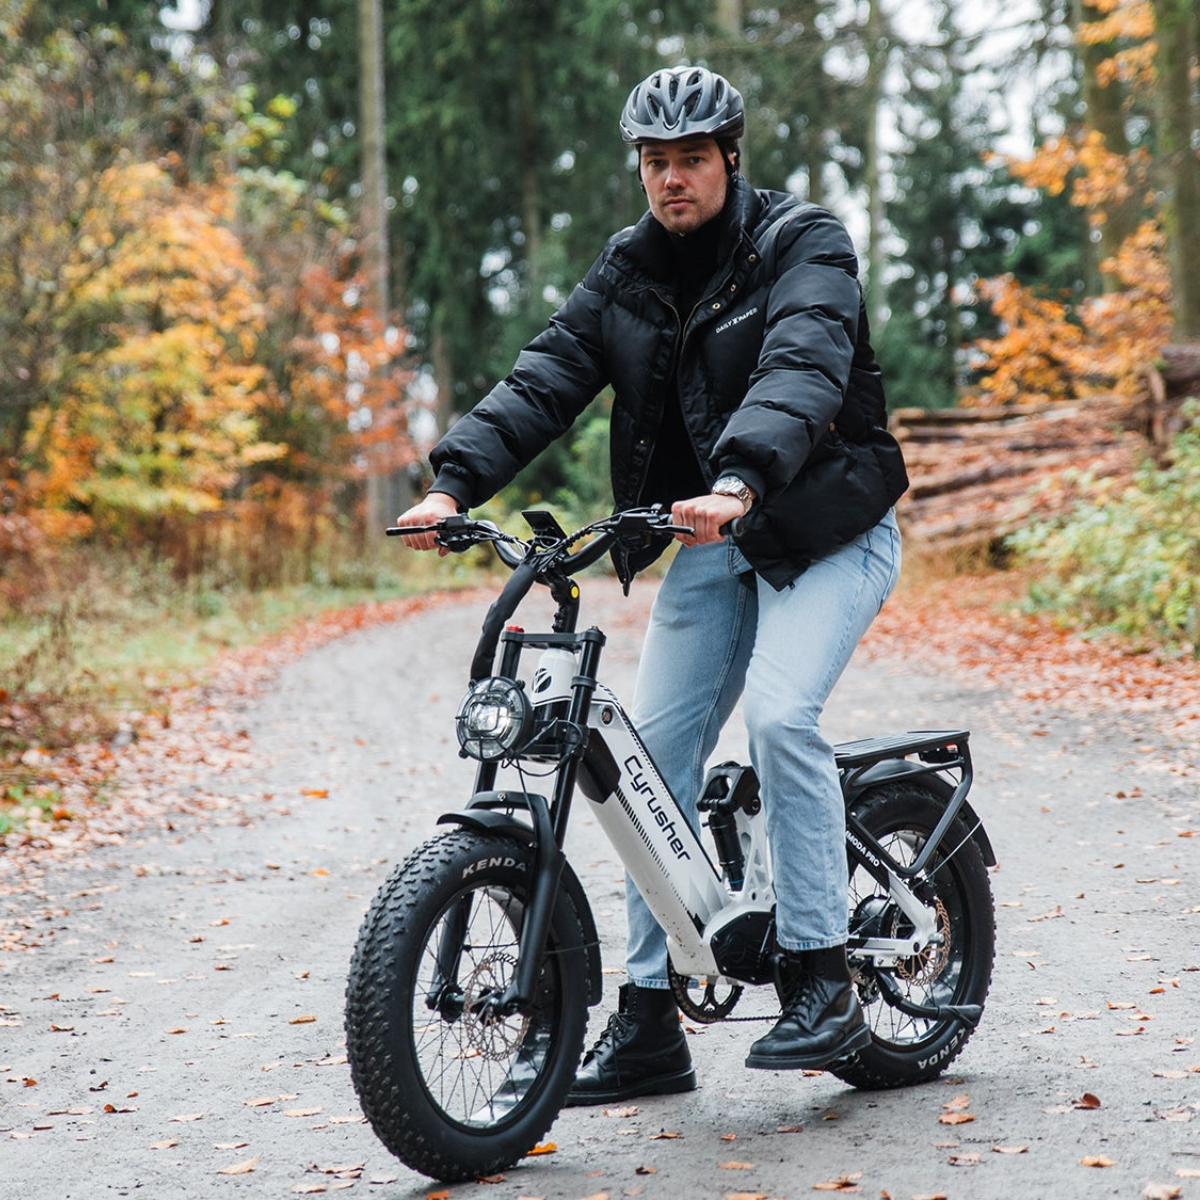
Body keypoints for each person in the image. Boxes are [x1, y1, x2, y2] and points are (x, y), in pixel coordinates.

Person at [393, 65, 908, 1104]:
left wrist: (739, 474)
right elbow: (549, 372)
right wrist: (453, 485)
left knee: (779, 718)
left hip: (824, 526)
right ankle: (645, 1021)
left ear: (730, 159)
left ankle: (821, 973)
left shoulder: (802, 242)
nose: (671, 180)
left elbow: (802, 364)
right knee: (636, 761)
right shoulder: (627, 267)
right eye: (655, 162)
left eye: (691, 160)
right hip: (712, 541)